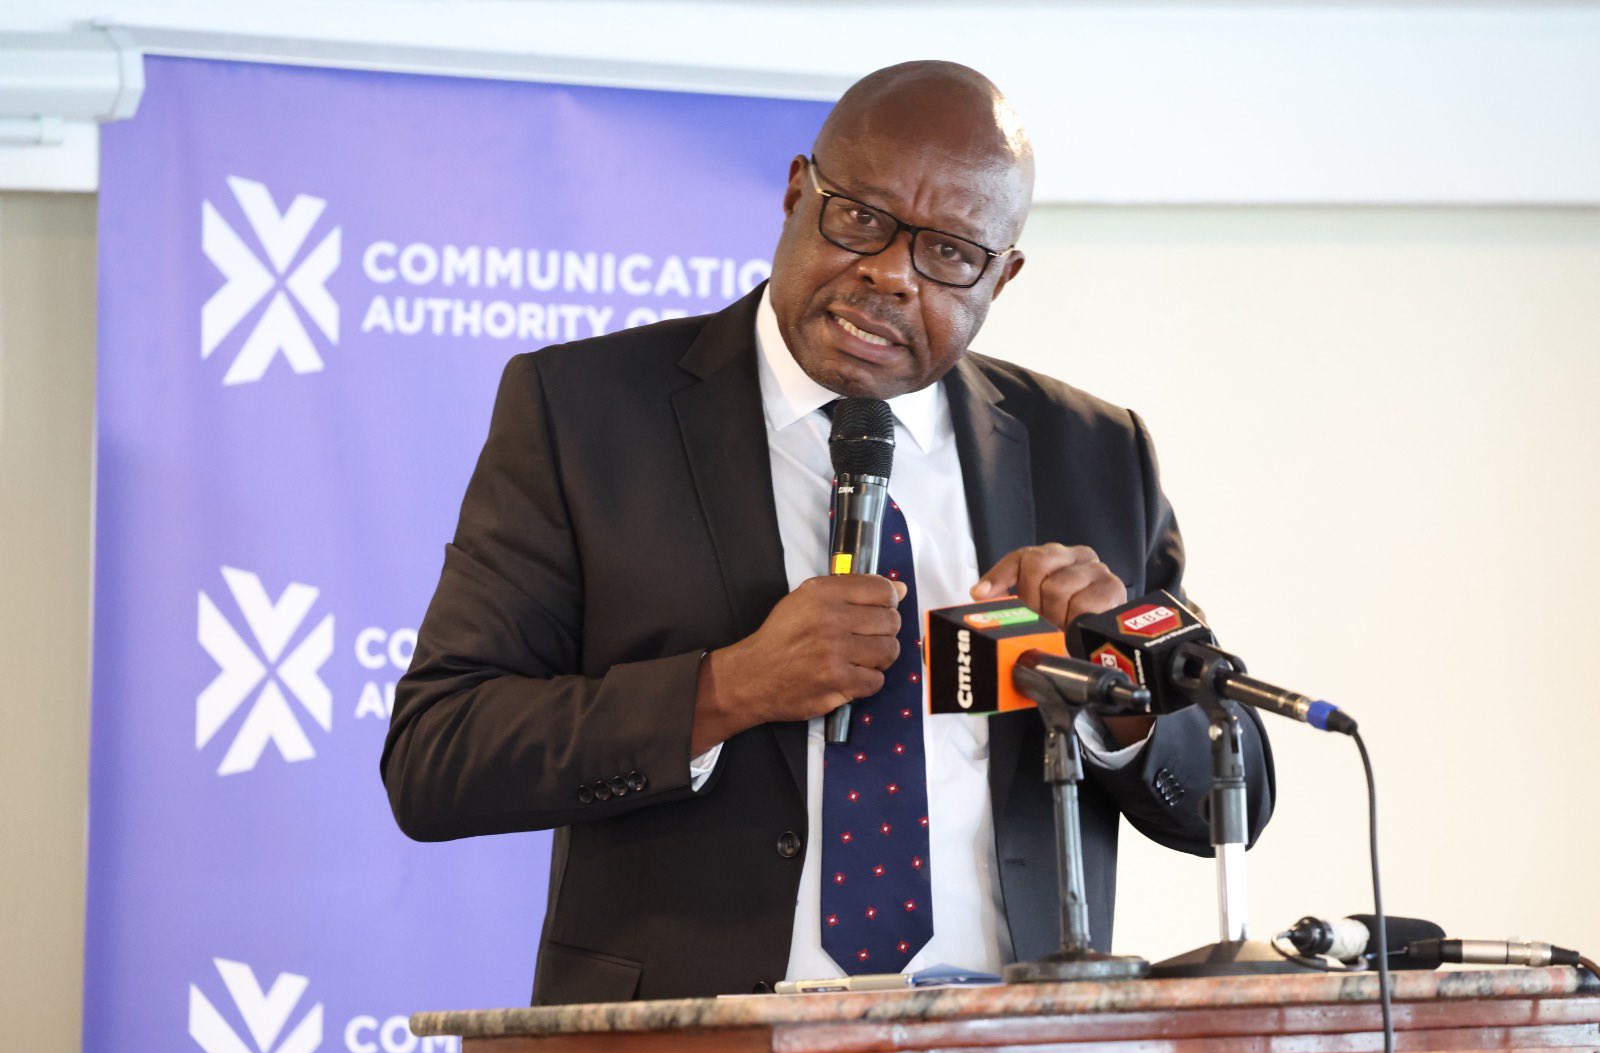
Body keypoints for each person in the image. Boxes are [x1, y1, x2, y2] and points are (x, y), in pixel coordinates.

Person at [380, 60, 1274, 1005]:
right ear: (798, 193)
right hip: (691, 1034)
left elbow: (1234, 790)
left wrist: (1118, 691)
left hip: (1006, 1037)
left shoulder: (1088, 450)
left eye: (949, 253)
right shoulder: (587, 412)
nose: (890, 273)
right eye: (860, 218)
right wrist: (726, 689)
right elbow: (439, 755)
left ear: (1001, 277)